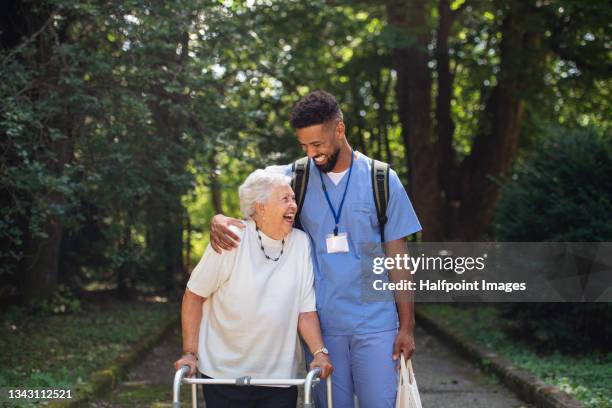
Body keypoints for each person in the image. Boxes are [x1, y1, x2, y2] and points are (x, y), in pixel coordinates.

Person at [210, 90, 422, 407]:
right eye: (305, 146)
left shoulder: (382, 180)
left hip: (376, 325)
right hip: (323, 329)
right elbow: (253, 199)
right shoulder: (295, 178)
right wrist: (219, 218)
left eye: (318, 144)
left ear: (339, 129)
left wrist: (407, 326)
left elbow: (398, 258)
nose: (312, 153)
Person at [174, 169, 333, 408]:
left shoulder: (300, 243)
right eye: (285, 199)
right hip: (223, 374)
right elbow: (194, 295)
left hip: (279, 377)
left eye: (293, 199)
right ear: (260, 207)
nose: (293, 206)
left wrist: (319, 352)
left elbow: (305, 311)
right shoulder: (232, 238)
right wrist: (190, 352)